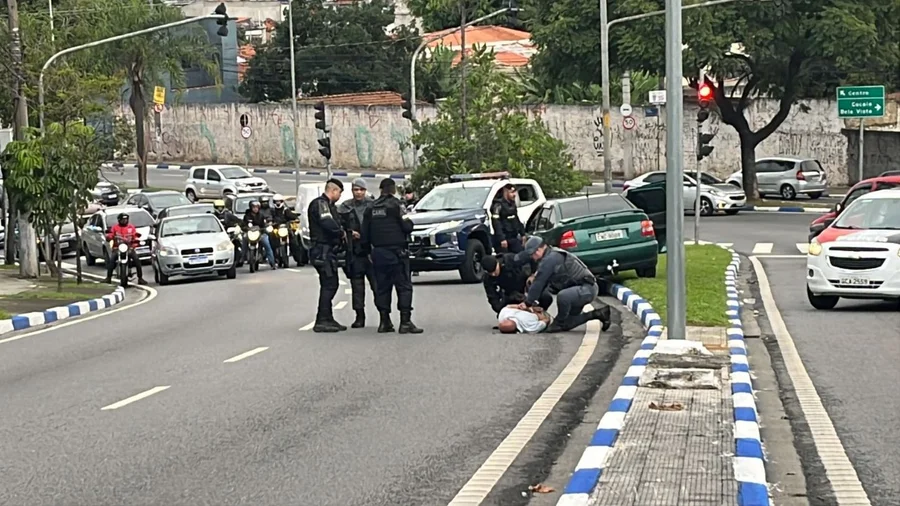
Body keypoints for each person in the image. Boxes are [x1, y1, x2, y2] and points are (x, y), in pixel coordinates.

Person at [361, 178, 422, 334]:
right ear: (393, 190)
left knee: (382, 288)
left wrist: (368, 252)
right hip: (397, 253)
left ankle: (384, 321)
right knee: (404, 287)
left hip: (378, 254)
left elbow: (365, 235)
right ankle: (405, 322)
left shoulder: (370, 208)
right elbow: (407, 226)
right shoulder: (397, 205)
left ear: (381, 190)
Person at [517, 236, 611, 332]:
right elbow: (542, 283)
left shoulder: (550, 259)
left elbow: (539, 282)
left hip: (586, 289)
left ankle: (559, 322)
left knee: (563, 297)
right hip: (578, 290)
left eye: (532, 254)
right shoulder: (550, 255)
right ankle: (599, 314)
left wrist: (527, 303)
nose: (533, 257)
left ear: (539, 249)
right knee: (568, 324)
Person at [308, 178, 347, 332]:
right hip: (321, 251)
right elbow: (327, 223)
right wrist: (341, 233)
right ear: (334, 190)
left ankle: (327, 318)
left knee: (330, 283)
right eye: (339, 193)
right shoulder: (321, 204)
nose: (339, 197)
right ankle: (322, 320)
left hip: (326, 250)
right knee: (329, 284)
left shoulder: (328, 205)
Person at [338, 178, 377, 328]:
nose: (359, 192)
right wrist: (348, 233)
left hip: (371, 251)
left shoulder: (373, 205)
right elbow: (338, 225)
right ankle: (359, 316)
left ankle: (383, 315)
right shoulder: (345, 207)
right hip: (354, 252)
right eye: (356, 189)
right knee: (357, 286)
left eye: (361, 189)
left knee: (377, 286)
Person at [482, 254, 551, 315]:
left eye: (495, 271)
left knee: (546, 297)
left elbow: (530, 258)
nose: (494, 274)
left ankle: (540, 314)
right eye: (491, 273)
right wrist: (501, 310)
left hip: (526, 286)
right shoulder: (488, 278)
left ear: (497, 263)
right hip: (510, 295)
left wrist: (533, 274)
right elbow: (492, 297)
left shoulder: (511, 259)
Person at [105, 212, 146, 285]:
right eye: (123, 220)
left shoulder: (131, 227)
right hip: (117, 248)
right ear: (119, 220)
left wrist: (136, 240)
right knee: (111, 260)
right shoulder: (115, 227)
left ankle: (140, 278)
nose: (124, 221)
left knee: (136, 260)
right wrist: (109, 237)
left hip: (129, 248)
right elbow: (111, 234)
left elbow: (135, 235)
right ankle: (108, 278)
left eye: (126, 219)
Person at [491, 183, 525, 253]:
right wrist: (502, 239)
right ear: (506, 192)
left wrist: (523, 234)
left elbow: (517, 220)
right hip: (504, 239)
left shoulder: (512, 204)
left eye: (515, 192)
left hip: (513, 237)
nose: (514, 194)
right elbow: (496, 223)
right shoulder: (498, 205)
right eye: (512, 192)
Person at [242, 200, 276, 269]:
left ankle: (272, 263)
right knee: (244, 240)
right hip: (250, 234)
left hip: (260, 234)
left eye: (257, 207)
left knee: (267, 245)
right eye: (254, 207)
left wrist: (265, 228)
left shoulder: (261, 216)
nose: (255, 209)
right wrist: (245, 228)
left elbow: (264, 225)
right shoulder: (247, 216)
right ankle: (242, 258)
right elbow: (243, 224)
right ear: (251, 208)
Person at [271, 193, 300, 265]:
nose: (278, 203)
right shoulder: (272, 211)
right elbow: (268, 218)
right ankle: (275, 259)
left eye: (279, 201)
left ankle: (299, 259)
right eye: (276, 202)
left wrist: (296, 217)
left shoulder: (286, 210)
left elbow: (292, 215)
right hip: (276, 229)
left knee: (294, 242)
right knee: (272, 241)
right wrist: (270, 222)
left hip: (286, 228)